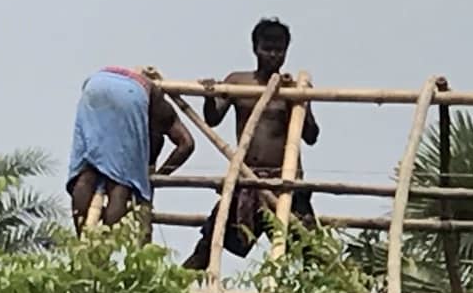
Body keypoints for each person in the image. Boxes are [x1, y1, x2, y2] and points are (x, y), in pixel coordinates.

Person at [186, 18, 319, 269]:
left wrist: (299, 100)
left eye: (279, 50)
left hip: (286, 179)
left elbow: (311, 135)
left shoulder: (294, 86)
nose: (273, 55)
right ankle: (180, 288)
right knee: (210, 240)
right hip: (248, 177)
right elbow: (213, 118)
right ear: (255, 48)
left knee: (310, 248)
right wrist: (208, 96)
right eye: (267, 48)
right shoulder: (238, 82)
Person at [66, 67, 194, 233]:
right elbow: (187, 144)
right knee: (121, 182)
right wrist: (160, 176)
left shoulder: (145, 104)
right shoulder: (160, 107)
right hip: (130, 94)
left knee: (86, 170)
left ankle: (80, 234)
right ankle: (105, 243)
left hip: (95, 84)